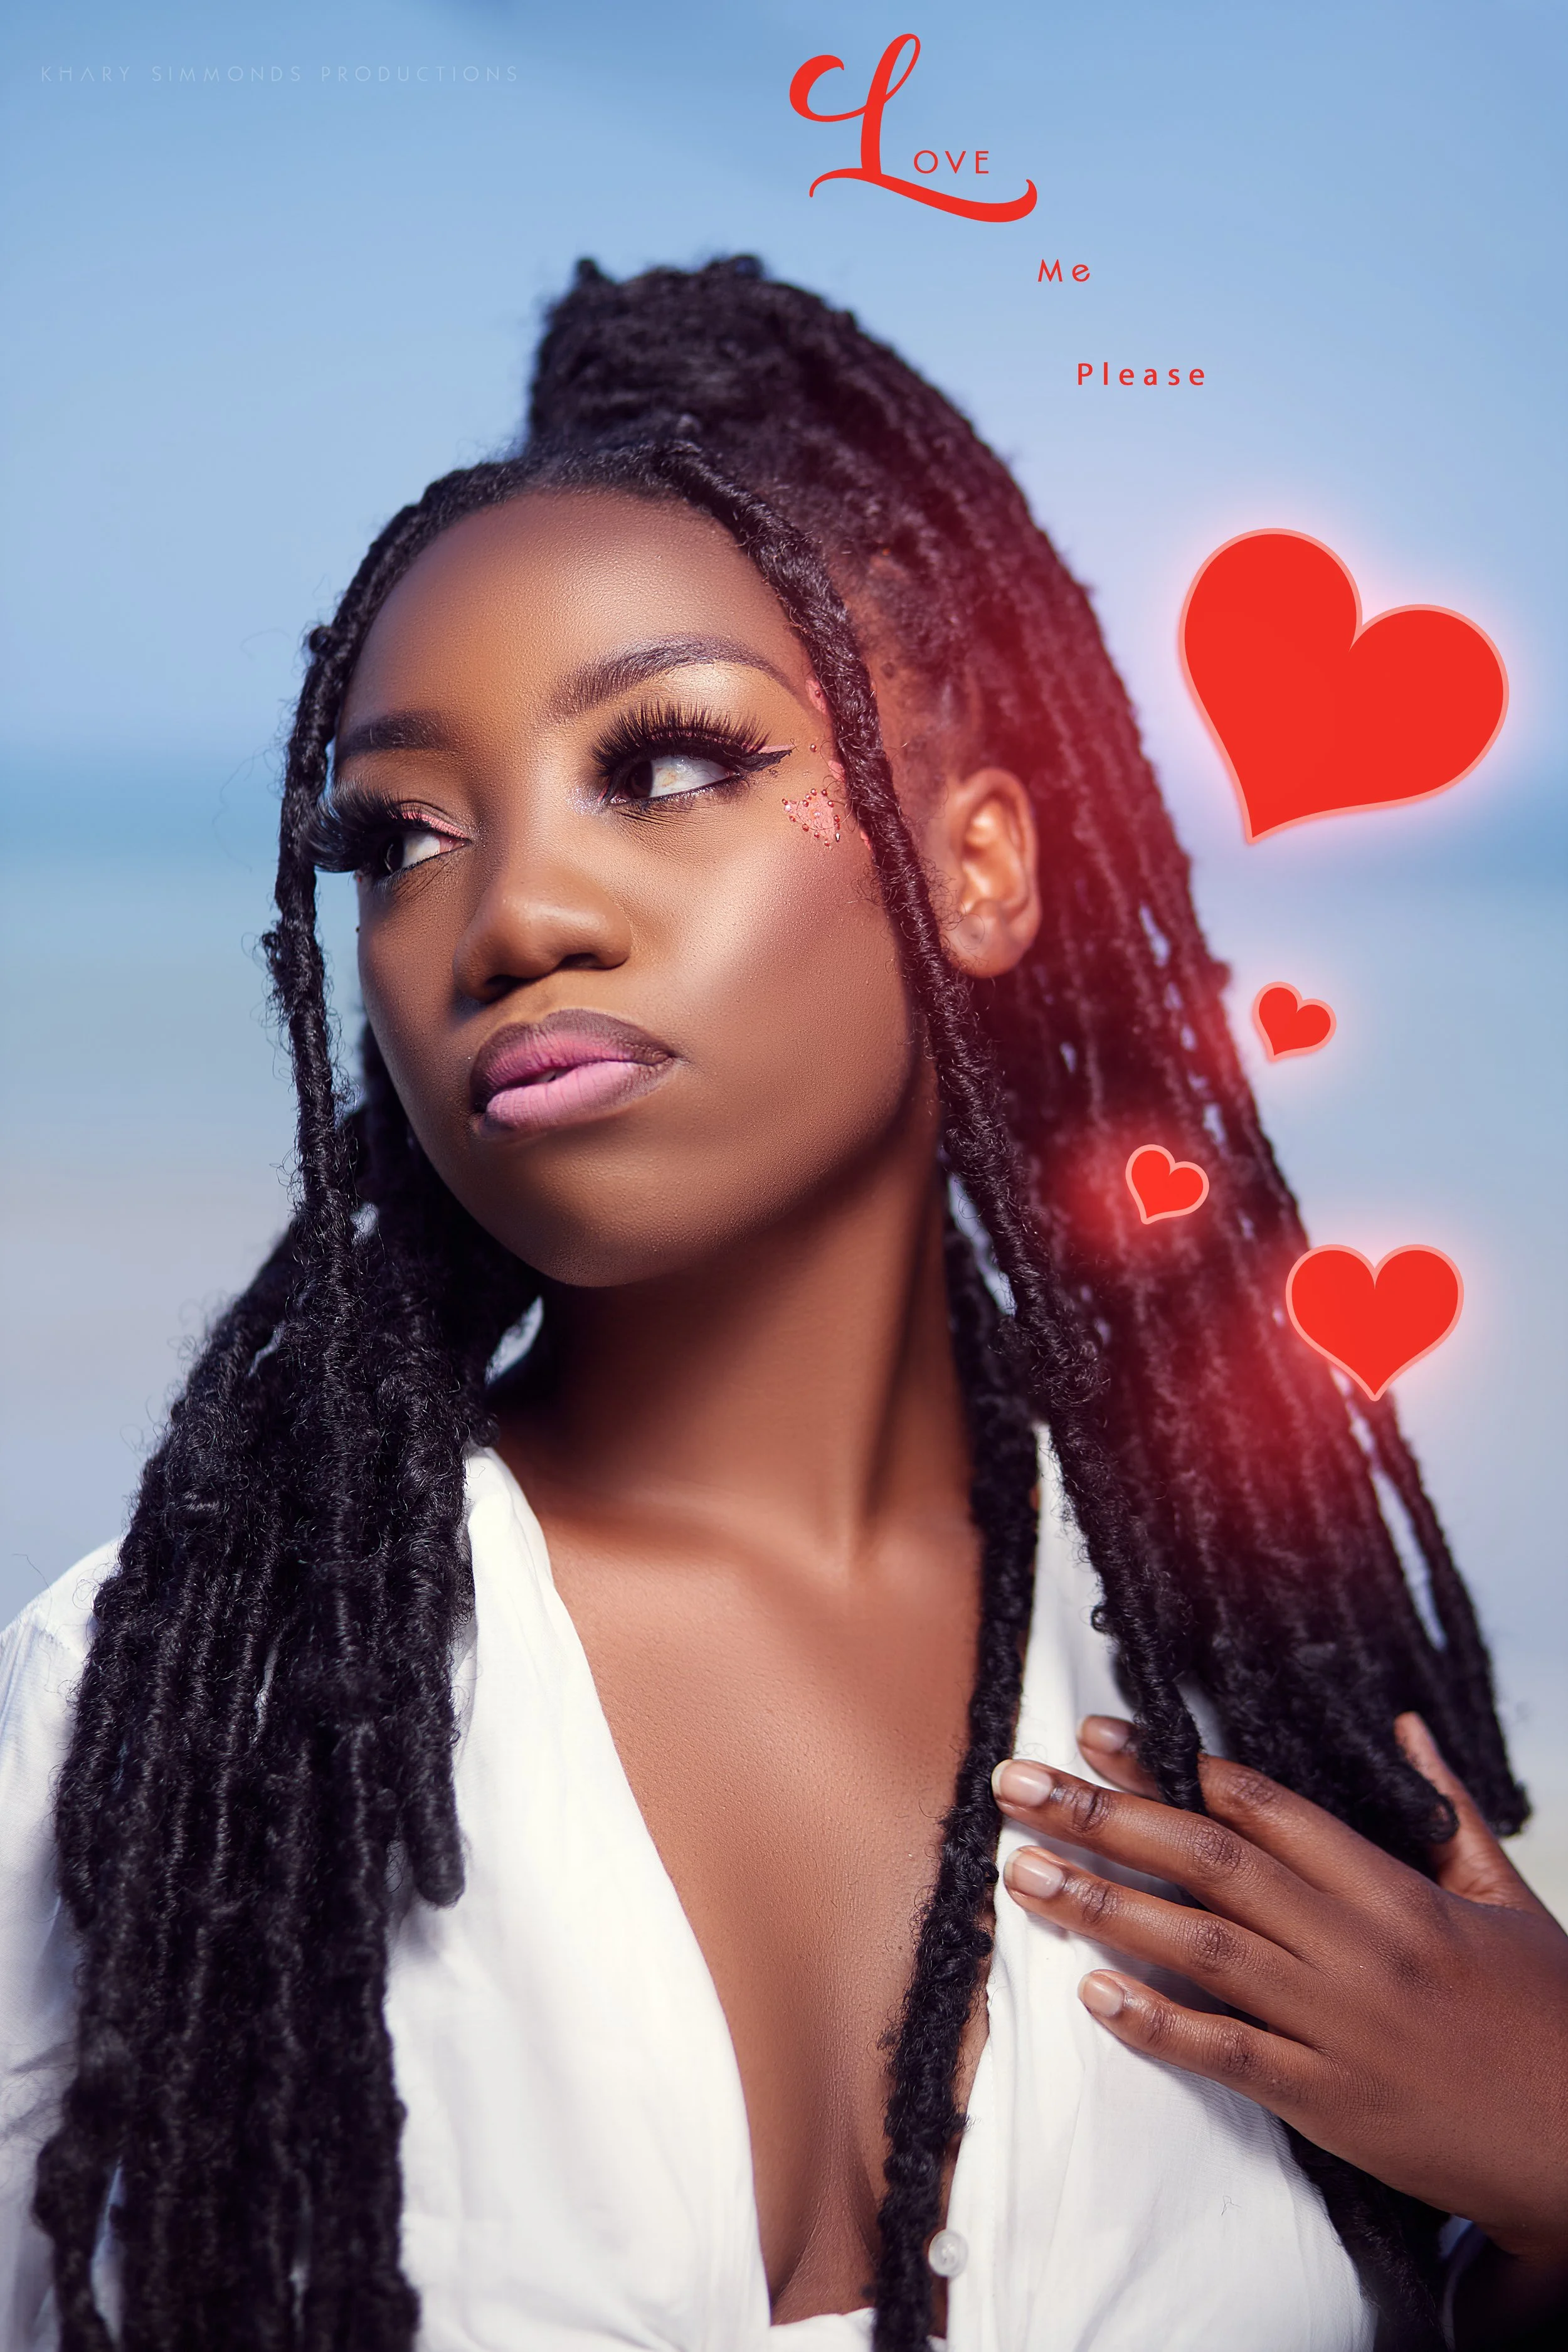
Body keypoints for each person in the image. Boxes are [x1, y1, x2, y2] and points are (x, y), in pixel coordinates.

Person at [1, 258, 1564, 2352]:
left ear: (980, 864)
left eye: (659, 763)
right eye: (398, 833)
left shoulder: (1277, 1694)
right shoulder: (169, 1711)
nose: (512, 912)